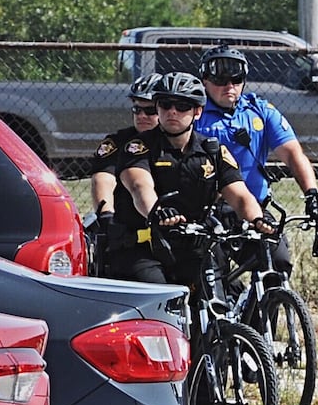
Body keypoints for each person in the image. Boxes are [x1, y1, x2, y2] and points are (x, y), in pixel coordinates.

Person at [96, 72, 277, 285]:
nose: (172, 111)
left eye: (182, 106)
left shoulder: (213, 150)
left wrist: (257, 218)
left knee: (222, 295)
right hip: (144, 247)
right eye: (165, 105)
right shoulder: (137, 147)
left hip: (195, 246)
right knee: (160, 298)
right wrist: (157, 212)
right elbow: (139, 186)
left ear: (197, 112)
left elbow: (239, 195)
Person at [194, 44, 318, 274]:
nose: (229, 87)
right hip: (209, 211)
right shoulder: (194, 114)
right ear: (204, 80)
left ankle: (266, 306)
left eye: (236, 80)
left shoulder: (259, 110)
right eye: (220, 81)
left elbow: (292, 154)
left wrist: (312, 194)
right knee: (212, 274)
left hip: (254, 210)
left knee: (277, 263)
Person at [86, 74, 165, 266]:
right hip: (128, 229)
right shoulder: (118, 142)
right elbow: (102, 180)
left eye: (149, 110)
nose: (141, 116)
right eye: (137, 109)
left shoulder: (176, 144)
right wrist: (106, 216)